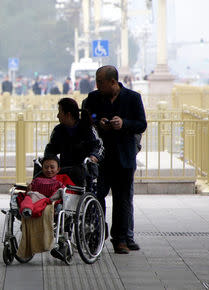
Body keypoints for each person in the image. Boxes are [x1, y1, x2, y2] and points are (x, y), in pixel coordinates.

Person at [83, 65, 147, 254]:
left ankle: (120, 239)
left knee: (122, 199)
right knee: (97, 195)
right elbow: (87, 117)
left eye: (100, 82)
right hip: (101, 158)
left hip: (124, 157)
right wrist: (98, 120)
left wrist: (124, 123)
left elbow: (141, 124)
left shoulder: (133, 98)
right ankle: (97, 233)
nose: (98, 86)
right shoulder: (94, 98)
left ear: (113, 82)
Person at [44, 97, 103, 186]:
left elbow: (98, 146)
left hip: (84, 170)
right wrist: (49, 161)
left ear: (68, 114)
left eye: (60, 112)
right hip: (65, 169)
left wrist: (93, 157)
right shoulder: (58, 130)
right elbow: (51, 149)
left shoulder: (87, 128)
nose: (57, 115)